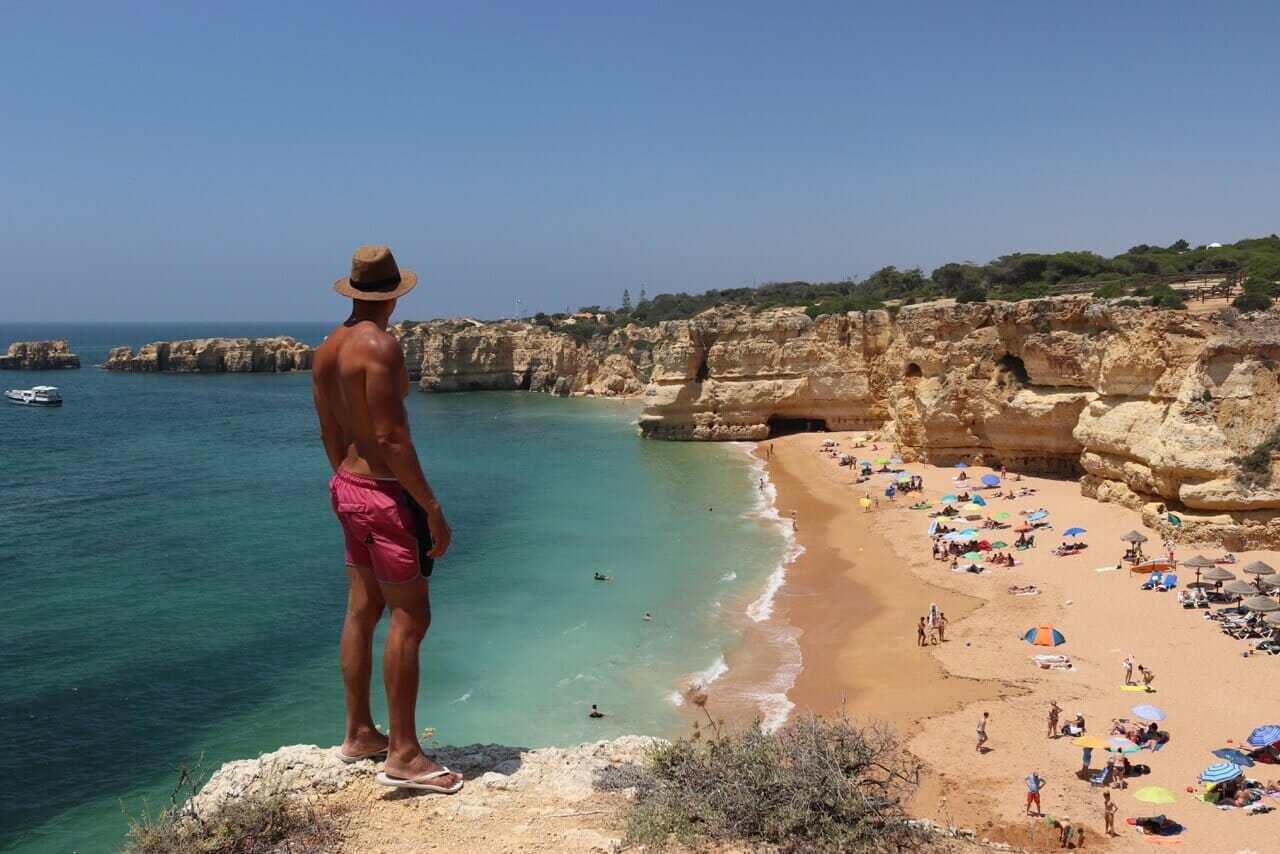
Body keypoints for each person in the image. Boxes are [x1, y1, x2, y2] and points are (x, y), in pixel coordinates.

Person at [313, 245, 461, 794]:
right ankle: (402, 754)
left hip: (347, 486)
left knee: (362, 608)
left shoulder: (327, 347)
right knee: (411, 618)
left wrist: (349, 484)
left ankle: (359, 733)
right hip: (384, 494)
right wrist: (431, 507)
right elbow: (392, 439)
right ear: (394, 294)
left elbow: (331, 430)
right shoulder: (381, 346)